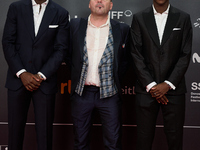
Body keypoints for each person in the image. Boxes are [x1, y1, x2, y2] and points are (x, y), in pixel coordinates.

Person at [2, 0, 69, 149]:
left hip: (44, 82)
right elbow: (8, 42)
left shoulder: (61, 13)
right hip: (17, 80)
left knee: (45, 136)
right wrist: (22, 73)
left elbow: (61, 49)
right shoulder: (16, 8)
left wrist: (41, 75)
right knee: (14, 135)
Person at [130, 0, 192, 149]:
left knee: (175, 138)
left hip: (174, 89)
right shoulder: (139, 17)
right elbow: (135, 54)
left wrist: (168, 84)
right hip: (146, 90)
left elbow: (185, 54)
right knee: (143, 139)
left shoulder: (183, 17)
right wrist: (152, 85)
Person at [68, 0, 129, 149]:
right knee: (80, 143)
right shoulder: (75, 26)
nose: (100, 1)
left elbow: (126, 61)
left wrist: (113, 80)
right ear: (89, 4)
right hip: (82, 93)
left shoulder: (122, 29)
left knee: (113, 143)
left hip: (110, 95)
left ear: (111, 5)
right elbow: (68, 55)